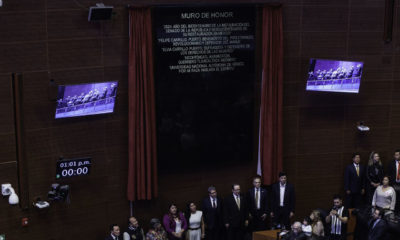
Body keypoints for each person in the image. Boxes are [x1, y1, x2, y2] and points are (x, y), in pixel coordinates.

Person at [387, 149, 400, 213]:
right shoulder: (391, 163)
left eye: (397, 155)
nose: (396, 156)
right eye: (395, 155)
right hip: (394, 184)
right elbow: (388, 174)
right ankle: (395, 213)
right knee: (394, 199)